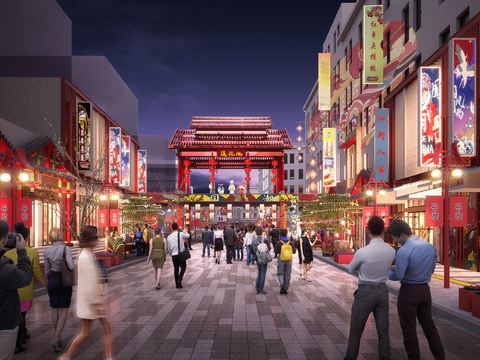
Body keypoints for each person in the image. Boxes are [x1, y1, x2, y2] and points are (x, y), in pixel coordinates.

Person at [387, 219, 445, 360]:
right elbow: (431, 270)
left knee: (409, 330)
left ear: (402, 235)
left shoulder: (404, 250)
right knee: (429, 326)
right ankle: (440, 357)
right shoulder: (430, 247)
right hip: (425, 291)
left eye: (396, 238)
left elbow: (398, 275)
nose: (397, 242)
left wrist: (388, 272)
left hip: (409, 292)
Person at [344, 216, 396, 360]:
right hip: (382, 291)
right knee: (383, 331)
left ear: (368, 231)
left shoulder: (362, 251)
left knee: (356, 330)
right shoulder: (391, 251)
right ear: (383, 231)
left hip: (365, 291)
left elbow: (350, 269)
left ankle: (351, 357)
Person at [60, 226, 112, 360]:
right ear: (88, 239)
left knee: (90, 331)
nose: (98, 240)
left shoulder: (88, 254)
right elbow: (88, 283)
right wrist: (97, 302)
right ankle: (66, 356)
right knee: (89, 332)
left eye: (98, 237)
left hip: (91, 301)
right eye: (95, 237)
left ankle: (67, 356)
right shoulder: (85, 256)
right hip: (92, 302)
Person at [3, 222, 47, 353]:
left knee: (16, 316)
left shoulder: (5, 252)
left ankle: (22, 335)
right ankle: (18, 342)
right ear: (26, 238)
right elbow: (37, 273)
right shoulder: (32, 252)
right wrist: (47, 286)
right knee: (21, 316)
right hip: (26, 290)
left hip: (9, 290)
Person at [0, 220, 32, 360]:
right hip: (4, 325)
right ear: (5, 239)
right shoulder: (5, 270)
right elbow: (25, 277)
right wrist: (21, 252)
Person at [43, 228, 75, 352]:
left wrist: (47, 281)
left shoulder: (47, 251)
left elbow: (46, 271)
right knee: (64, 310)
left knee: (54, 309)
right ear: (60, 236)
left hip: (52, 279)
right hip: (64, 280)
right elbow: (71, 266)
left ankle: (58, 337)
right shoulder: (66, 249)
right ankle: (56, 338)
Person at [166, 222, 190, 288]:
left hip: (174, 255)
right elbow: (188, 235)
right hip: (181, 254)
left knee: (176, 269)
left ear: (172, 228)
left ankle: (177, 284)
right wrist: (182, 230)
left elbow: (169, 247)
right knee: (183, 267)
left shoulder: (169, 237)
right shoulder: (181, 234)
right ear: (177, 227)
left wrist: (171, 254)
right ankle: (179, 279)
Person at [274, 229, 296, 295]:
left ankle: (281, 284)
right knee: (287, 274)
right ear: (286, 234)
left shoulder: (279, 242)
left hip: (281, 259)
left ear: (280, 235)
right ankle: (286, 288)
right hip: (289, 260)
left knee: (280, 273)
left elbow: (276, 251)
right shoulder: (290, 242)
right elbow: (294, 251)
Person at [251, 226, 271, 295]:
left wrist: (257, 255)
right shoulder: (265, 240)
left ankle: (257, 288)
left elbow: (251, 251)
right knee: (263, 273)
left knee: (259, 273)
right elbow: (269, 248)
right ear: (262, 232)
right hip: (264, 258)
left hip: (257, 258)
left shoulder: (253, 241)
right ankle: (261, 289)